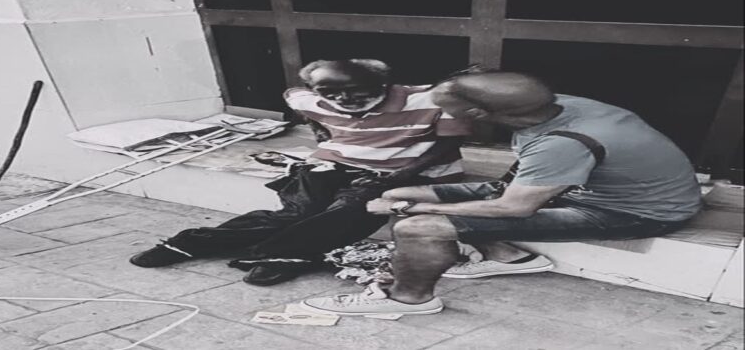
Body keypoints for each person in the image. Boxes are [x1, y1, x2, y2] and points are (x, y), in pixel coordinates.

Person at [299, 67, 702, 316]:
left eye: (447, 110)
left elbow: (514, 207)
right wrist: (409, 194)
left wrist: (409, 208)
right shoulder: (558, 107)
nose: (440, 115)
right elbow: (511, 185)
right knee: (411, 193)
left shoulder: (560, 143)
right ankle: (510, 257)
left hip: (634, 213)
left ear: (476, 113)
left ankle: (407, 299)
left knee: (417, 227)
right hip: (582, 187)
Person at [129, 59, 471, 286]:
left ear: (384, 83)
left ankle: (284, 255)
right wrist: (320, 132)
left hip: (394, 172)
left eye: (357, 91)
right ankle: (188, 243)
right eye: (331, 93)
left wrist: (402, 174)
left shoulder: (429, 99)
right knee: (298, 211)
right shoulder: (310, 99)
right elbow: (296, 97)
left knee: (350, 211)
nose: (344, 99)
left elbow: (448, 145)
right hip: (330, 163)